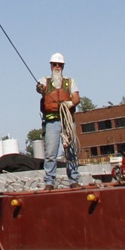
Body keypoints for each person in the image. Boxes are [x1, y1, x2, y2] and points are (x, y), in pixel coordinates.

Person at [36, 53, 81, 188]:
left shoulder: (70, 82)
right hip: (52, 122)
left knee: (71, 151)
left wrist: (70, 104)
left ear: (63, 66)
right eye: (54, 64)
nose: (57, 67)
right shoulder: (45, 80)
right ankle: (49, 181)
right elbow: (40, 88)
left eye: (59, 65)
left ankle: (74, 180)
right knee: (50, 153)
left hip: (66, 120)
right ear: (51, 66)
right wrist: (40, 88)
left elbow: (76, 97)